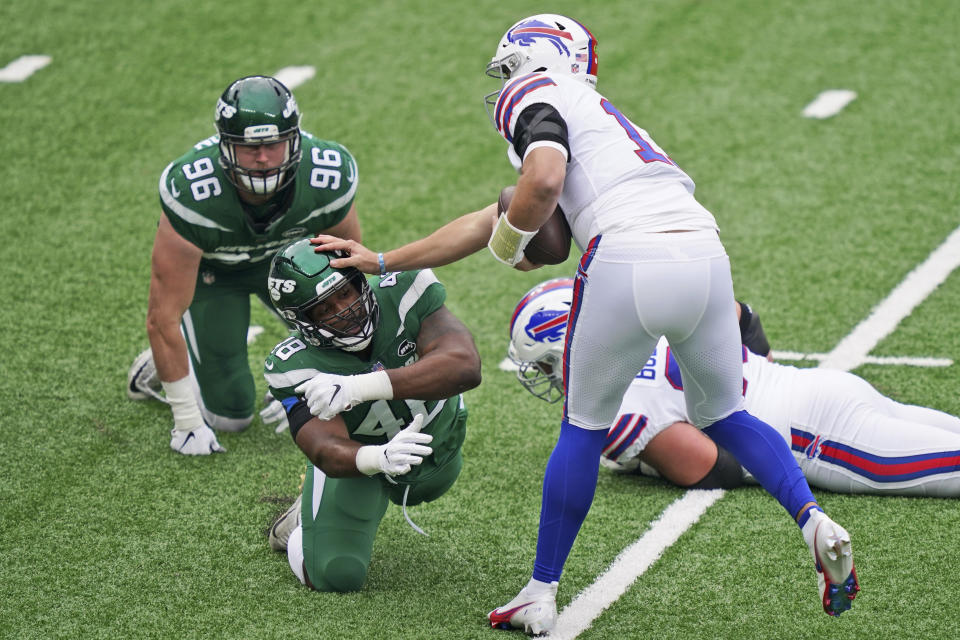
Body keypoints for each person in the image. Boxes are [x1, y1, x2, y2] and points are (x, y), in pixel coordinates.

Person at [310, 13, 858, 630]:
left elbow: (540, 182)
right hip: (705, 253)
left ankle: (539, 590)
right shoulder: (607, 121)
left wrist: (510, 245)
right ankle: (813, 520)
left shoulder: (534, 91)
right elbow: (491, 216)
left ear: (533, 55)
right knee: (726, 415)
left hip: (626, 256)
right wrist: (385, 259)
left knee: (582, 426)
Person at [510, 278, 960, 497]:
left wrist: (647, 463)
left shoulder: (615, 408)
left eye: (547, 367)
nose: (552, 379)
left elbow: (714, 469)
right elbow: (745, 320)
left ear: (566, 347)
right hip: (826, 387)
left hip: (816, 438)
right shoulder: (653, 317)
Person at [126, 75, 362, 455]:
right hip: (215, 275)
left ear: (294, 139)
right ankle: (165, 369)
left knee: (345, 320)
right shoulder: (193, 192)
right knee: (230, 416)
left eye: (272, 144)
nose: (264, 158)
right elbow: (162, 316)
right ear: (224, 147)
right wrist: (187, 419)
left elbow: (350, 269)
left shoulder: (326, 176)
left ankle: (289, 378)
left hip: (290, 266)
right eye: (249, 148)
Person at [262, 239, 481, 592]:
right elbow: (324, 449)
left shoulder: (402, 288)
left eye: (345, 293)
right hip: (360, 466)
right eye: (324, 308)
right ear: (300, 321)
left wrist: (358, 388)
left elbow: (464, 366)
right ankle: (303, 527)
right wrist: (376, 457)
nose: (344, 311)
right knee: (336, 575)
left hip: (441, 439)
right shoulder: (293, 364)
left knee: (433, 481)